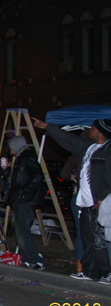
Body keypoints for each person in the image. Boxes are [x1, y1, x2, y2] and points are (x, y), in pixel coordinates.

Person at [33, 117, 111, 283]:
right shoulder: (88, 147)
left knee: (101, 241)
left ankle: (107, 272)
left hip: (100, 203)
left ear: (100, 131)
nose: (90, 130)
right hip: (85, 202)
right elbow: (68, 140)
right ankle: (91, 271)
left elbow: (108, 177)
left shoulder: (108, 150)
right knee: (88, 238)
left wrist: (101, 199)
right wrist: (48, 127)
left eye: (93, 128)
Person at [4, 135, 46, 270]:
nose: (9, 149)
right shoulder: (21, 158)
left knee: (23, 230)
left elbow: (37, 176)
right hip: (21, 199)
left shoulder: (26, 158)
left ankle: (34, 258)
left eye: (11, 146)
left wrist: (23, 192)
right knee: (21, 230)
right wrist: (5, 172)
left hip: (24, 200)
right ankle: (27, 257)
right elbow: (17, 180)